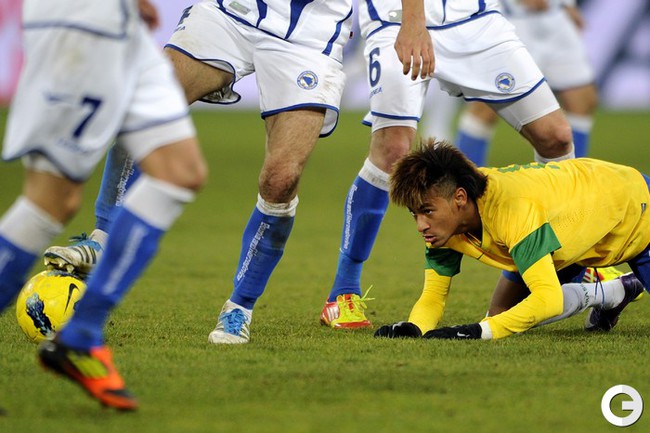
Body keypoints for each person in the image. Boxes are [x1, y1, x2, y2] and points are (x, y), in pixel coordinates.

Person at [43, 0, 354, 344]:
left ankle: (240, 307)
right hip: (231, 12)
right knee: (146, 106)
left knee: (281, 180)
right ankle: (102, 237)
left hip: (310, 33)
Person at [0, 0, 207, 410]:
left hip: (122, 23)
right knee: (51, 200)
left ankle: (81, 336)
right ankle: (82, 337)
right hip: (81, 17)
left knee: (180, 171)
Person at [320, 0, 577, 329]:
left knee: (556, 137)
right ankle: (343, 291)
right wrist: (414, 22)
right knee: (393, 149)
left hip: (474, 17)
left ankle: (569, 259)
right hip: (397, 18)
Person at [374, 141, 649, 340]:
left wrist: (476, 331)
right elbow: (433, 296)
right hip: (567, 232)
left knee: (515, 315)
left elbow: (548, 299)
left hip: (635, 209)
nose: (420, 225)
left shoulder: (512, 210)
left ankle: (611, 292)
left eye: (427, 211)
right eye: (414, 214)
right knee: (501, 316)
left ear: (459, 198)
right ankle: (616, 292)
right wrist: (415, 327)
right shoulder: (443, 224)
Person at [424, 0, 599, 166]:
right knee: (485, 107)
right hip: (512, 18)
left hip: (555, 17)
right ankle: (465, 182)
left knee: (582, 100)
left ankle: (573, 181)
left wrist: (567, 4)